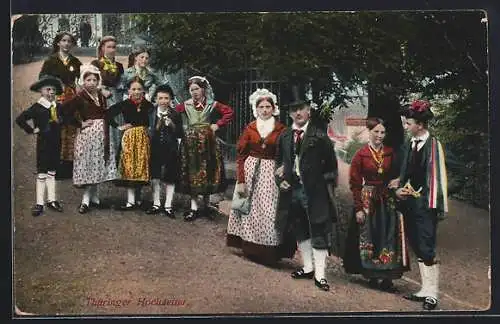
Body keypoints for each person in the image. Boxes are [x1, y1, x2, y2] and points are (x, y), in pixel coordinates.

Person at [274, 97, 338, 292]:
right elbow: (278, 164)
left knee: (318, 229)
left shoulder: (319, 136)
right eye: (294, 110)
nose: (298, 113)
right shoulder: (284, 136)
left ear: (309, 110)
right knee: (300, 229)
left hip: (314, 192)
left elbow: (332, 169)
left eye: (301, 109)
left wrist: (319, 183)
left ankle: (320, 275)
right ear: (290, 113)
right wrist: (280, 180)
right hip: (292, 190)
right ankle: (308, 267)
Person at [226, 88, 295, 265]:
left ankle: (270, 252)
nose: (264, 110)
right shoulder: (250, 128)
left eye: (268, 107)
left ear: (274, 108)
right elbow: (241, 155)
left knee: (269, 211)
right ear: (256, 109)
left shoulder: (281, 130)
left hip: (271, 173)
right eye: (261, 107)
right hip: (250, 171)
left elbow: (288, 154)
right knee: (249, 210)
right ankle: (250, 248)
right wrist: (241, 180)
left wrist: (284, 170)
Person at [342, 117, 410, 292]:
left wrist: (398, 181)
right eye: (376, 132)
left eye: (382, 132)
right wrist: (358, 208)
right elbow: (355, 183)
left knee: (388, 235)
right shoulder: (361, 155)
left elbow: (399, 173)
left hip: (387, 199)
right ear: (369, 132)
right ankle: (372, 274)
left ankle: (388, 277)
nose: (380, 135)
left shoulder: (390, 153)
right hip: (368, 198)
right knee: (370, 234)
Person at [395, 99, 448, 310]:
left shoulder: (434, 145)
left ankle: (433, 294)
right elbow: (406, 172)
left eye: (408, 123)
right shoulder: (409, 144)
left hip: (427, 205)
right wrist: (400, 185)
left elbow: (444, 175)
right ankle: (424, 290)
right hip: (410, 203)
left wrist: (435, 196)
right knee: (416, 244)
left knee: (427, 247)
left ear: (420, 124)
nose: (406, 127)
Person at [62, 64, 120, 213]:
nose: (92, 83)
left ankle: (94, 196)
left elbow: (105, 113)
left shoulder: (101, 96)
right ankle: (86, 199)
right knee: (89, 164)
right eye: (88, 80)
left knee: (98, 164)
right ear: (83, 81)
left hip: (102, 134)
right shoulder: (80, 97)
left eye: (94, 80)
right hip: (88, 135)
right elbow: (64, 111)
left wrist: (116, 126)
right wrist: (79, 123)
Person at [175, 76, 234, 221]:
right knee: (193, 170)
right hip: (191, 142)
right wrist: (179, 129)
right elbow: (172, 113)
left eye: (197, 89)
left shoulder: (211, 104)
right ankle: (194, 207)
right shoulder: (185, 105)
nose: (194, 92)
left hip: (208, 141)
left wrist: (217, 124)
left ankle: (206, 205)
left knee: (208, 169)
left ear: (203, 89)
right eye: (191, 90)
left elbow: (229, 112)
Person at [117, 46, 165, 205]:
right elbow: (120, 88)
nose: (144, 60)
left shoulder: (151, 74)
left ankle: (139, 193)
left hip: (147, 107)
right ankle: (132, 195)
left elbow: (163, 85)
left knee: (143, 153)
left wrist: (152, 95)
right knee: (131, 153)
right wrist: (128, 97)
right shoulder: (128, 72)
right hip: (132, 105)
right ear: (136, 58)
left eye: (146, 58)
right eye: (141, 57)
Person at [15, 76, 65, 217]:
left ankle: (52, 199)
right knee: (42, 172)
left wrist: (60, 121)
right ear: (41, 91)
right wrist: (32, 130)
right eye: (48, 89)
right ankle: (39, 203)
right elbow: (20, 119)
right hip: (44, 143)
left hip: (56, 142)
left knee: (52, 171)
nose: (51, 92)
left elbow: (65, 118)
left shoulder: (58, 106)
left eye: (53, 90)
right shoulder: (37, 107)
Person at [106, 77, 154, 210]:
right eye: (133, 89)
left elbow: (154, 119)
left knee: (140, 166)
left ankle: (138, 199)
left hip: (143, 138)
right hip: (130, 137)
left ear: (143, 90)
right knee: (129, 166)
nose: (136, 92)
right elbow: (108, 114)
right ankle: (130, 201)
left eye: (139, 89)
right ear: (128, 90)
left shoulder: (148, 105)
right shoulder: (125, 103)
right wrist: (118, 126)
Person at [39, 31, 82, 180]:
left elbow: (81, 79)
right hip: (55, 98)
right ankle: (53, 167)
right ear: (58, 43)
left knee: (70, 131)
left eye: (69, 41)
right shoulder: (50, 61)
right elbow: (42, 79)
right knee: (56, 130)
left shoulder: (75, 62)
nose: (66, 44)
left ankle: (69, 167)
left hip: (71, 99)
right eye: (63, 41)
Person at [146, 84, 183, 217]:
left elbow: (180, 133)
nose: (163, 101)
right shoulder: (151, 112)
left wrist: (172, 125)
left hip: (170, 148)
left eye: (166, 98)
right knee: (155, 176)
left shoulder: (175, 114)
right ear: (156, 99)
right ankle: (156, 203)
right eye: (160, 98)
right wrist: (156, 127)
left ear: (171, 99)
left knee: (170, 176)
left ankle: (168, 205)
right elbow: (148, 130)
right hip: (155, 147)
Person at [91, 36, 125, 162]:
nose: (112, 49)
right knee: (103, 126)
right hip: (101, 98)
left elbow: (122, 83)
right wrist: (101, 89)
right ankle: (101, 161)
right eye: (109, 47)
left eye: (114, 47)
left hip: (116, 97)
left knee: (116, 126)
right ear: (102, 48)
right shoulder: (96, 64)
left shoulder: (119, 66)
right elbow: (90, 82)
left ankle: (115, 161)